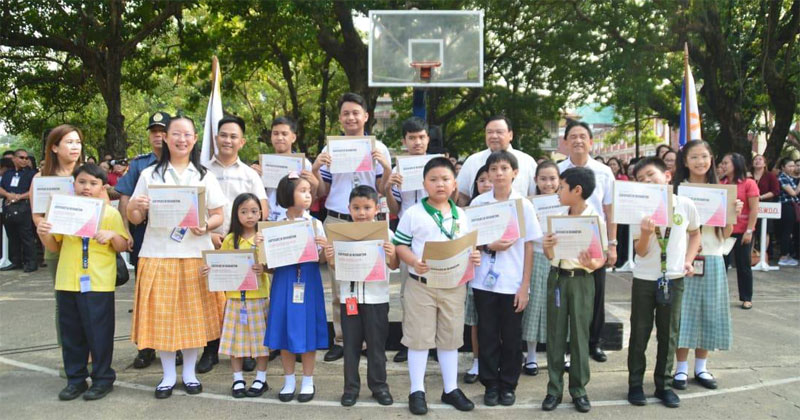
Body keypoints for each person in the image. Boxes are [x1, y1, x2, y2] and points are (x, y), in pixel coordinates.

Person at [128, 115, 227, 399]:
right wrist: (136, 205)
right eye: (175, 134)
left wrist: (206, 225)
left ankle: (190, 373)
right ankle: (168, 375)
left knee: (192, 318)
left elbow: (219, 213)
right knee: (164, 317)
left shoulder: (204, 175)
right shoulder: (150, 175)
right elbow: (135, 217)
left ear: (195, 138)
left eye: (187, 134)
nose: (181, 140)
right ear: (166, 139)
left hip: (195, 254)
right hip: (158, 253)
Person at [393, 157, 482, 415]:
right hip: (421, 284)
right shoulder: (413, 213)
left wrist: (473, 256)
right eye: (433, 180)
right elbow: (400, 245)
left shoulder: (462, 216)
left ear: (454, 184)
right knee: (419, 339)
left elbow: (468, 247)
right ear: (424, 184)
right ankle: (416, 390)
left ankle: (450, 388)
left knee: (450, 339)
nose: (439, 184)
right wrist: (413, 261)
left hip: (454, 285)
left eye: (445, 179)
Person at [36, 164, 130, 401]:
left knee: (99, 333)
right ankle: (75, 380)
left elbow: (123, 245)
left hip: (98, 282)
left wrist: (112, 236)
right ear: (74, 184)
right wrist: (43, 231)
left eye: (93, 183)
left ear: (102, 187)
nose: (87, 188)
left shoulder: (110, 213)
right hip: (68, 280)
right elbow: (54, 246)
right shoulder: (63, 208)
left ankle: (102, 379)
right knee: (71, 334)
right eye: (82, 182)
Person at [312, 92, 393, 362]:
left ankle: (371, 341)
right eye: (346, 113)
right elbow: (322, 190)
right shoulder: (329, 150)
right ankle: (342, 339)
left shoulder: (378, 148)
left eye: (356, 113)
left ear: (366, 116)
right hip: (337, 218)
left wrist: (385, 168)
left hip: (369, 220)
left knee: (371, 279)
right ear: (340, 118)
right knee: (339, 283)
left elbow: (382, 190)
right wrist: (315, 170)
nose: (351, 117)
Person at [627, 156, 701, 408]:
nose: (646, 181)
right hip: (645, 279)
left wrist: (689, 260)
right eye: (641, 179)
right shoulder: (638, 209)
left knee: (669, 334)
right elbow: (640, 251)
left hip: (674, 279)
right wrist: (646, 233)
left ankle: (664, 385)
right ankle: (635, 385)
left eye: (651, 175)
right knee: (640, 332)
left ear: (667, 176)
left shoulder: (686, 205)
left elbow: (695, 234)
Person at [471, 151, 542, 407]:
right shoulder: (479, 204)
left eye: (504, 168)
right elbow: (471, 242)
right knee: (488, 334)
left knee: (512, 337)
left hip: (512, 283)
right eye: (494, 168)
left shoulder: (523, 205)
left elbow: (529, 247)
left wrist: (525, 286)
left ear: (515, 173)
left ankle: (509, 384)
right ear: (487, 174)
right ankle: (490, 384)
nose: (499, 173)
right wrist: (489, 246)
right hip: (483, 282)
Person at [203, 115, 269, 373]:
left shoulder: (250, 174)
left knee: (244, 296)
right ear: (216, 138)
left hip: (244, 243)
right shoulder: (203, 170)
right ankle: (210, 350)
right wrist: (210, 235)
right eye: (223, 135)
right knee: (214, 298)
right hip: (212, 238)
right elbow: (197, 209)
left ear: (242, 141)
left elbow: (261, 207)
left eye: (233, 136)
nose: (228, 140)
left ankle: (249, 350)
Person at [671, 140, 737, 392]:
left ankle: (701, 367)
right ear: (684, 161)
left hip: (712, 256)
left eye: (705, 157)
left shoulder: (720, 191)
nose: (700, 162)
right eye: (694, 157)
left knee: (709, 312)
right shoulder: (677, 190)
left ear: (712, 159)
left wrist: (732, 212)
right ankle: (680, 369)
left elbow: (724, 233)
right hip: (684, 259)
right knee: (682, 314)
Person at [539, 166, 606, 413]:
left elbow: (601, 257)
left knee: (579, 335)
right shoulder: (558, 217)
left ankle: (579, 389)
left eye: (562, 187)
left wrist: (593, 263)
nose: (558, 191)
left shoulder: (595, 219)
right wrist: (547, 246)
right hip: (558, 278)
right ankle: (553, 389)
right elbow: (550, 255)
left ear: (577, 190)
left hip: (581, 280)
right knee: (555, 335)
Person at [324, 185, 398, 407]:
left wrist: (391, 254)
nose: (362, 212)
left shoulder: (387, 234)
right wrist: (330, 258)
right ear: (349, 209)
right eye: (356, 208)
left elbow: (393, 265)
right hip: (350, 299)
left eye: (367, 207)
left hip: (377, 299)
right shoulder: (340, 236)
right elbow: (337, 268)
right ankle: (351, 389)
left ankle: (379, 387)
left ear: (376, 208)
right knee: (351, 346)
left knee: (376, 347)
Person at [264, 173, 329, 403]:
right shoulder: (275, 226)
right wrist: (263, 252)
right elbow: (268, 266)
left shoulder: (315, 224)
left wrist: (323, 248)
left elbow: (321, 261)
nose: (308, 195)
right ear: (287, 194)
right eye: (302, 190)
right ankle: (289, 379)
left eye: (309, 191)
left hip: (308, 280)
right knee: (284, 328)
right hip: (284, 280)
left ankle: (308, 380)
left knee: (308, 327)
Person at [557, 120, 617, 363]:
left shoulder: (604, 172)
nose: (578, 140)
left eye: (583, 136)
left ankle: (594, 342)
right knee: (568, 294)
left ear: (591, 142)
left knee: (596, 293)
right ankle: (569, 344)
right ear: (565, 142)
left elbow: (610, 209)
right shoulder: (559, 170)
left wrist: (611, 244)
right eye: (573, 136)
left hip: (595, 239)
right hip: (565, 237)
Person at [114, 111, 170, 369]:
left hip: (174, 236)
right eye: (153, 131)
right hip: (144, 231)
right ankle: (146, 347)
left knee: (171, 295)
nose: (157, 135)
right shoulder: (140, 165)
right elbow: (125, 196)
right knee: (145, 294)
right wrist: (126, 230)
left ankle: (172, 344)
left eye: (162, 130)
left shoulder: (184, 163)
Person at [201, 193, 270, 398]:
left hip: (258, 297)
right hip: (234, 298)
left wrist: (263, 268)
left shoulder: (263, 237)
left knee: (261, 342)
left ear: (260, 213)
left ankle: (261, 378)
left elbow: (272, 264)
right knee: (235, 341)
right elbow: (222, 264)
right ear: (236, 214)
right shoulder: (231, 239)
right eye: (244, 211)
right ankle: (237, 378)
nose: (249, 216)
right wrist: (209, 270)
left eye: (254, 211)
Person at [385, 117, 432, 364]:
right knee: (408, 291)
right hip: (407, 236)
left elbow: (452, 197)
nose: (417, 142)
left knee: (435, 288)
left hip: (434, 235)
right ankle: (409, 341)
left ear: (428, 139)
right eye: (412, 138)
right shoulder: (398, 169)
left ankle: (433, 342)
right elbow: (394, 208)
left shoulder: (436, 165)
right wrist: (387, 187)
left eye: (421, 137)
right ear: (404, 141)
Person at [522, 160, 561, 377]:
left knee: (559, 307)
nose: (548, 183)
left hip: (560, 258)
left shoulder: (565, 202)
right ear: (536, 180)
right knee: (534, 307)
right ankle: (531, 355)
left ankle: (561, 353)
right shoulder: (529, 203)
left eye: (552, 178)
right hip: (537, 257)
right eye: (543, 178)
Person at [456, 115, 537, 206]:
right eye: (489, 132)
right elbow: (462, 195)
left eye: (499, 132)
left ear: (510, 135)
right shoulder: (472, 161)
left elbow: (535, 195)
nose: (494, 136)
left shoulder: (527, 161)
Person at [463, 164, 492, 384]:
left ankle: (495, 360)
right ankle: (476, 360)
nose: (486, 184)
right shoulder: (471, 208)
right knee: (476, 320)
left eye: (489, 179)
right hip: (476, 272)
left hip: (501, 275)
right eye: (481, 180)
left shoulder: (509, 206)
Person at [719, 153, 759, 309]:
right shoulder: (721, 183)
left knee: (743, 265)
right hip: (724, 232)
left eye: (725, 162)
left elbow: (754, 209)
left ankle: (746, 297)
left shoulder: (749, 183)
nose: (723, 165)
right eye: (722, 163)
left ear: (736, 164)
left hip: (742, 231)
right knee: (721, 264)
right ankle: (720, 297)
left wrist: (749, 230)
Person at [257, 117, 317, 222]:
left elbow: (310, 197)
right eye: (275, 134)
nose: (279, 138)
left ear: (293, 137)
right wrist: (256, 177)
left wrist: (315, 184)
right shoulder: (263, 163)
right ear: (271, 137)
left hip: (297, 219)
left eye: (284, 134)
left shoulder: (303, 164)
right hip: (270, 218)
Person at [0, 148, 37, 272]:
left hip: (24, 207)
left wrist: (18, 197)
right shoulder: (8, 173)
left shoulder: (31, 174)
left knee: (26, 235)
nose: (24, 160)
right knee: (12, 235)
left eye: (26, 158)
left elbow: (34, 190)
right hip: (9, 207)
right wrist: (8, 195)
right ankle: (15, 261)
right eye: (21, 157)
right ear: (14, 159)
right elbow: (1, 188)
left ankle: (31, 262)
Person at [751, 155, 780, 257]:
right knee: (751, 229)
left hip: (766, 206)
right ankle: (750, 255)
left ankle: (763, 255)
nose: (757, 161)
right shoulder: (749, 176)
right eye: (755, 159)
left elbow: (775, 191)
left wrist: (761, 197)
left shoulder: (770, 175)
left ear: (764, 164)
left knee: (765, 230)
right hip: (751, 206)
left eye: (760, 159)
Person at [776, 157, 799, 265]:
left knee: (790, 231)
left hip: (792, 206)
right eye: (789, 166)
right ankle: (784, 256)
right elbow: (793, 193)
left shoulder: (788, 177)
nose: (792, 168)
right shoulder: (782, 177)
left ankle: (788, 254)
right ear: (783, 167)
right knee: (786, 231)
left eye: (793, 166)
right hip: (786, 206)